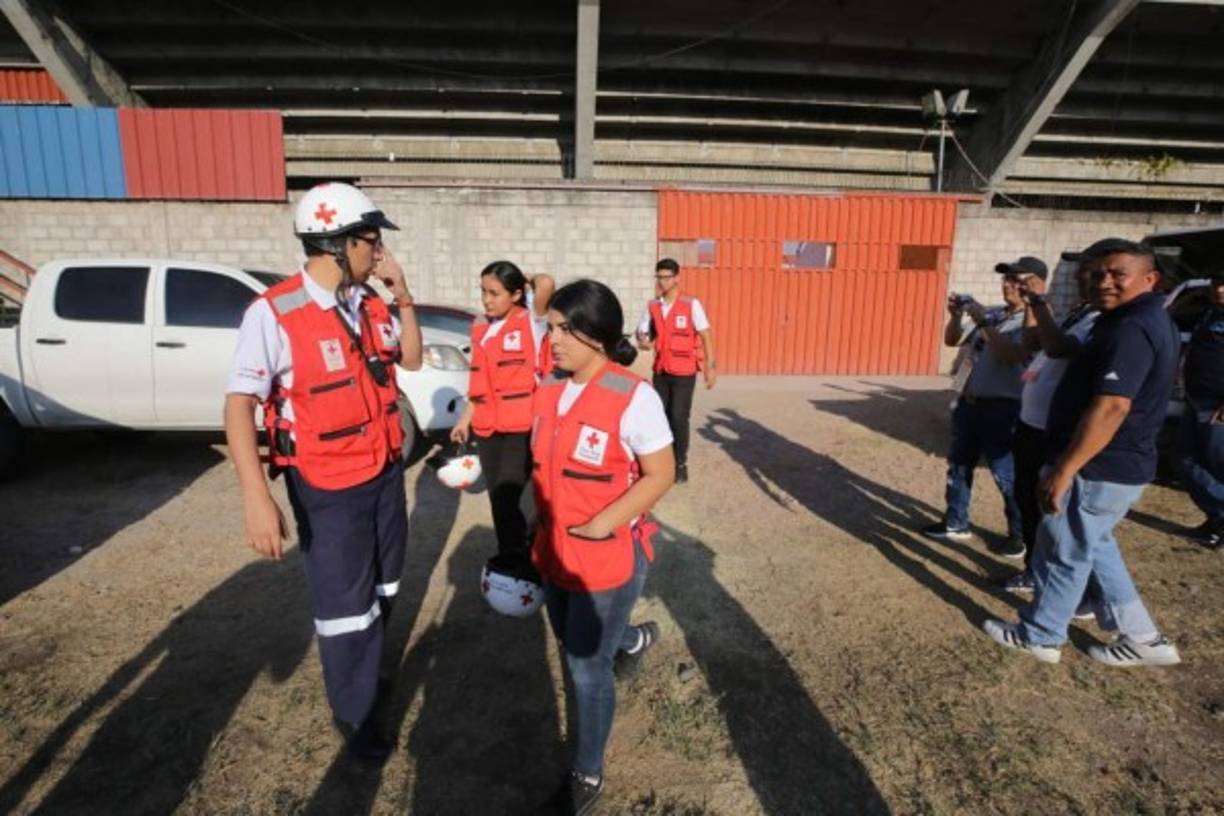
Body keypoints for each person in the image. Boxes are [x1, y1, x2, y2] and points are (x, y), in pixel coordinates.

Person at [223, 182, 422, 762]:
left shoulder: (369, 303)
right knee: (345, 606)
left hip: (383, 472)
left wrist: (403, 295)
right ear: (338, 244)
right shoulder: (273, 312)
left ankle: (369, 671)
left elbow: (409, 359)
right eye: (371, 239)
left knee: (385, 586)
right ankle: (357, 719)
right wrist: (256, 497)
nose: (378, 250)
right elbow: (239, 405)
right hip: (329, 488)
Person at [983, 240, 1182, 667]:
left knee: (1065, 552)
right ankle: (1144, 638)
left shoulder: (1131, 328)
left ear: (1151, 279)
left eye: (1116, 273)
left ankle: (1042, 635)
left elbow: (1112, 406)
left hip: (1098, 465)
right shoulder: (1128, 319)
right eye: (1093, 273)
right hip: (1114, 465)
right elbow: (1057, 349)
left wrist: (1064, 470)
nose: (1103, 281)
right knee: (1095, 546)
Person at [533, 279, 674, 814]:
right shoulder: (548, 388)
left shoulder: (633, 396)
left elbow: (659, 473)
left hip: (604, 555)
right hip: (552, 552)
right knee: (573, 645)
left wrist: (604, 523)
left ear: (597, 334)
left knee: (585, 669)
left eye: (567, 330)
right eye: (552, 328)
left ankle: (587, 772)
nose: (556, 340)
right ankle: (631, 642)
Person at [999, 247, 1101, 592]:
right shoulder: (1076, 312)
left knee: (1051, 512)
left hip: (1054, 429)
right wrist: (1031, 305)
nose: (1082, 279)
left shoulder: (1099, 320)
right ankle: (1033, 569)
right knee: (1027, 499)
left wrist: (1038, 303)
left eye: (1019, 278)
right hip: (1030, 423)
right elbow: (1031, 342)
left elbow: (1058, 349)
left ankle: (1074, 588)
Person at [921, 257, 1039, 556]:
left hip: (1004, 408)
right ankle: (956, 522)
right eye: (1005, 279)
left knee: (1006, 475)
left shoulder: (1033, 321)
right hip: (969, 404)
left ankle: (1020, 534)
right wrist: (956, 317)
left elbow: (1010, 355)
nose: (1007, 285)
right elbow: (953, 341)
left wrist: (982, 318)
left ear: (1034, 283)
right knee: (958, 466)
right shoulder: (995, 315)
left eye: (1015, 280)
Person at [449, 261, 554, 576]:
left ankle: (523, 556)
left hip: (521, 429)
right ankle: (513, 555)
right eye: (483, 291)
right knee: (498, 500)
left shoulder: (532, 322)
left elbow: (546, 283)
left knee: (509, 497)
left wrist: (528, 278)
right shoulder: (480, 327)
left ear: (517, 293)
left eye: (495, 293)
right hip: (487, 427)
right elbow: (479, 384)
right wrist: (464, 420)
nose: (487, 300)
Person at [635, 257, 717, 484]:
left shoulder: (691, 305)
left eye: (666, 277)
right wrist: (642, 339)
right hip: (661, 371)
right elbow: (644, 336)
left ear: (677, 278)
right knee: (659, 417)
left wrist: (711, 367)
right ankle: (661, 462)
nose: (661, 281)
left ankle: (680, 463)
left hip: (684, 372)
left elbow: (706, 335)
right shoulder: (653, 306)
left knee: (679, 417)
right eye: (658, 277)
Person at [1175, 268, 1224, 549]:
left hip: (1218, 405)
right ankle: (1216, 515)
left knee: (1217, 464)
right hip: (1197, 399)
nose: (1219, 290)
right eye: (1216, 282)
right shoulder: (1210, 313)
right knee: (1185, 460)